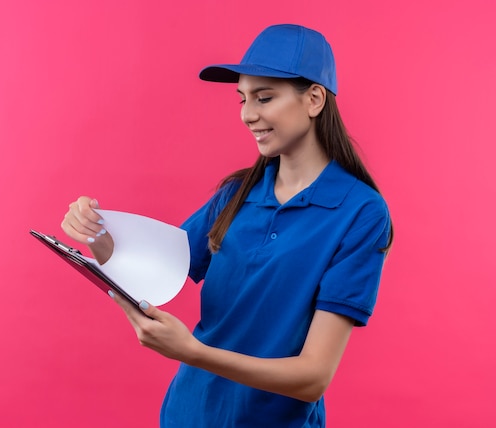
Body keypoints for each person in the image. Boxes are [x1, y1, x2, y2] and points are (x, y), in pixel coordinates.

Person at [61, 24, 392, 428]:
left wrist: (191, 351)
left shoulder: (360, 213)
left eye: (264, 97)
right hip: (188, 414)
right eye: (242, 99)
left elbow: (312, 378)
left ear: (315, 99)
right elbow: (156, 274)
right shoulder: (236, 194)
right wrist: (96, 233)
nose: (247, 114)